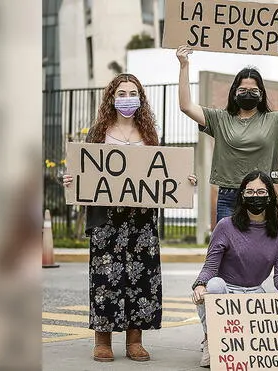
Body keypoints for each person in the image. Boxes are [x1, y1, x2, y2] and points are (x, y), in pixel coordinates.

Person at [63, 73, 197, 362]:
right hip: (106, 217)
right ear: (112, 98)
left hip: (141, 220)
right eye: (121, 93)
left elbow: (163, 173)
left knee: (142, 278)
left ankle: (135, 340)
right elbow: (85, 171)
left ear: (141, 98)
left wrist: (184, 181)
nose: (127, 98)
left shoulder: (149, 135)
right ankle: (103, 340)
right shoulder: (98, 133)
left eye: (132, 92)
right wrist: (71, 181)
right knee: (105, 278)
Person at [176, 45, 278, 223]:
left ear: (261, 94)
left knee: (262, 248)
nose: (248, 94)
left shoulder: (275, 121)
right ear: (234, 93)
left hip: (262, 196)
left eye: (253, 91)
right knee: (228, 248)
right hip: (229, 196)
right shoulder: (219, 119)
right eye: (242, 90)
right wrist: (184, 65)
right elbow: (186, 106)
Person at [191, 170, 278, 368]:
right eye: (250, 192)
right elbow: (210, 267)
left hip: (255, 294)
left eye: (260, 192)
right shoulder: (225, 226)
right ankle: (210, 340)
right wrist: (199, 284)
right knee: (213, 285)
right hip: (226, 291)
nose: (255, 197)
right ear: (242, 195)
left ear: (270, 196)